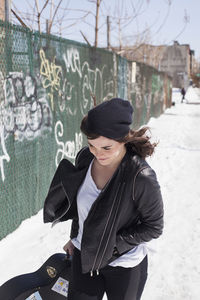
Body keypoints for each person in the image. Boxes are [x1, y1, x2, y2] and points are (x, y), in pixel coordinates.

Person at [43, 98, 164, 300]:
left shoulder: (140, 176)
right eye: (92, 145)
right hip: (85, 258)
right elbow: (82, 206)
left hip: (124, 266)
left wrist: (112, 245)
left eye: (106, 148)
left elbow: (154, 226)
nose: (98, 154)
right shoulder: (85, 158)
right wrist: (77, 237)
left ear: (123, 139)